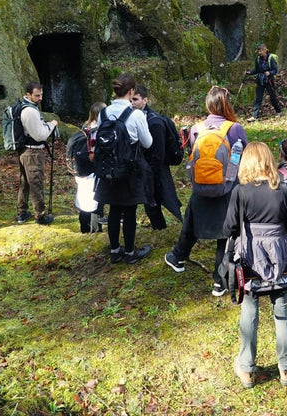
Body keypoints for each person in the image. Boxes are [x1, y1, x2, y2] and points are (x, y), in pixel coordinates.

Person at [224, 142, 287, 388]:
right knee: (282, 311)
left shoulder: (241, 192)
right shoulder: (284, 189)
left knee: (249, 309)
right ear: (269, 160)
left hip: (250, 258)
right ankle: (286, 368)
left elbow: (229, 228)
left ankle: (247, 369)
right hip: (281, 257)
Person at [164, 86, 248, 296]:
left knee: (192, 221)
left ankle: (178, 257)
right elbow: (244, 154)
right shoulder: (234, 128)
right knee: (226, 235)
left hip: (201, 188)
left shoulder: (196, 129)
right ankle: (219, 282)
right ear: (226, 104)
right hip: (228, 188)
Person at [94, 73, 154, 264]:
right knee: (129, 211)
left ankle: (114, 250)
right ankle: (129, 252)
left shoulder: (103, 113)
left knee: (113, 209)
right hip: (130, 169)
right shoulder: (135, 114)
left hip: (108, 168)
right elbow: (147, 143)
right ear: (131, 92)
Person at [131, 84, 183, 229]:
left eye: (135, 99)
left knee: (155, 202)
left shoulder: (154, 123)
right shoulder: (138, 118)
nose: (132, 103)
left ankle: (161, 229)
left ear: (145, 100)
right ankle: (159, 228)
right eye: (130, 100)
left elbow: (158, 154)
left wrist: (148, 172)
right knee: (151, 203)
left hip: (156, 170)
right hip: (147, 168)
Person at [14, 82, 59, 226]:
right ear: (28, 95)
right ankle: (40, 215)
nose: (40, 98)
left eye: (41, 95)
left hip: (24, 151)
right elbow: (40, 135)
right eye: (37, 95)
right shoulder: (30, 111)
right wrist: (52, 125)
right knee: (36, 183)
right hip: (33, 152)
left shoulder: (24, 107)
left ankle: (22, 212)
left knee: (25, 183)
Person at [72, 102, 105, 234]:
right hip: (93, 172)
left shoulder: (85, 127)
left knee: (84, 202)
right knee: (95, 202)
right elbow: (93, 154)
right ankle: (94, 230)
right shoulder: (96, 131)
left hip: (81, 171)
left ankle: (84, 229)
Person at [246, 44, 283, 121]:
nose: (259, 52)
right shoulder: (258, 59)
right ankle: (254, 116)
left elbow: (275, 70)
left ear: (265, 50)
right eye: (259, 51)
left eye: (261, 51)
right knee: (258, 98)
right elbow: (257, 70)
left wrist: (269, 73)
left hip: (269, 80)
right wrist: (250, 72)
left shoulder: (271, 58)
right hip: (260, 80)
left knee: (272, 96)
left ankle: (279, 111)